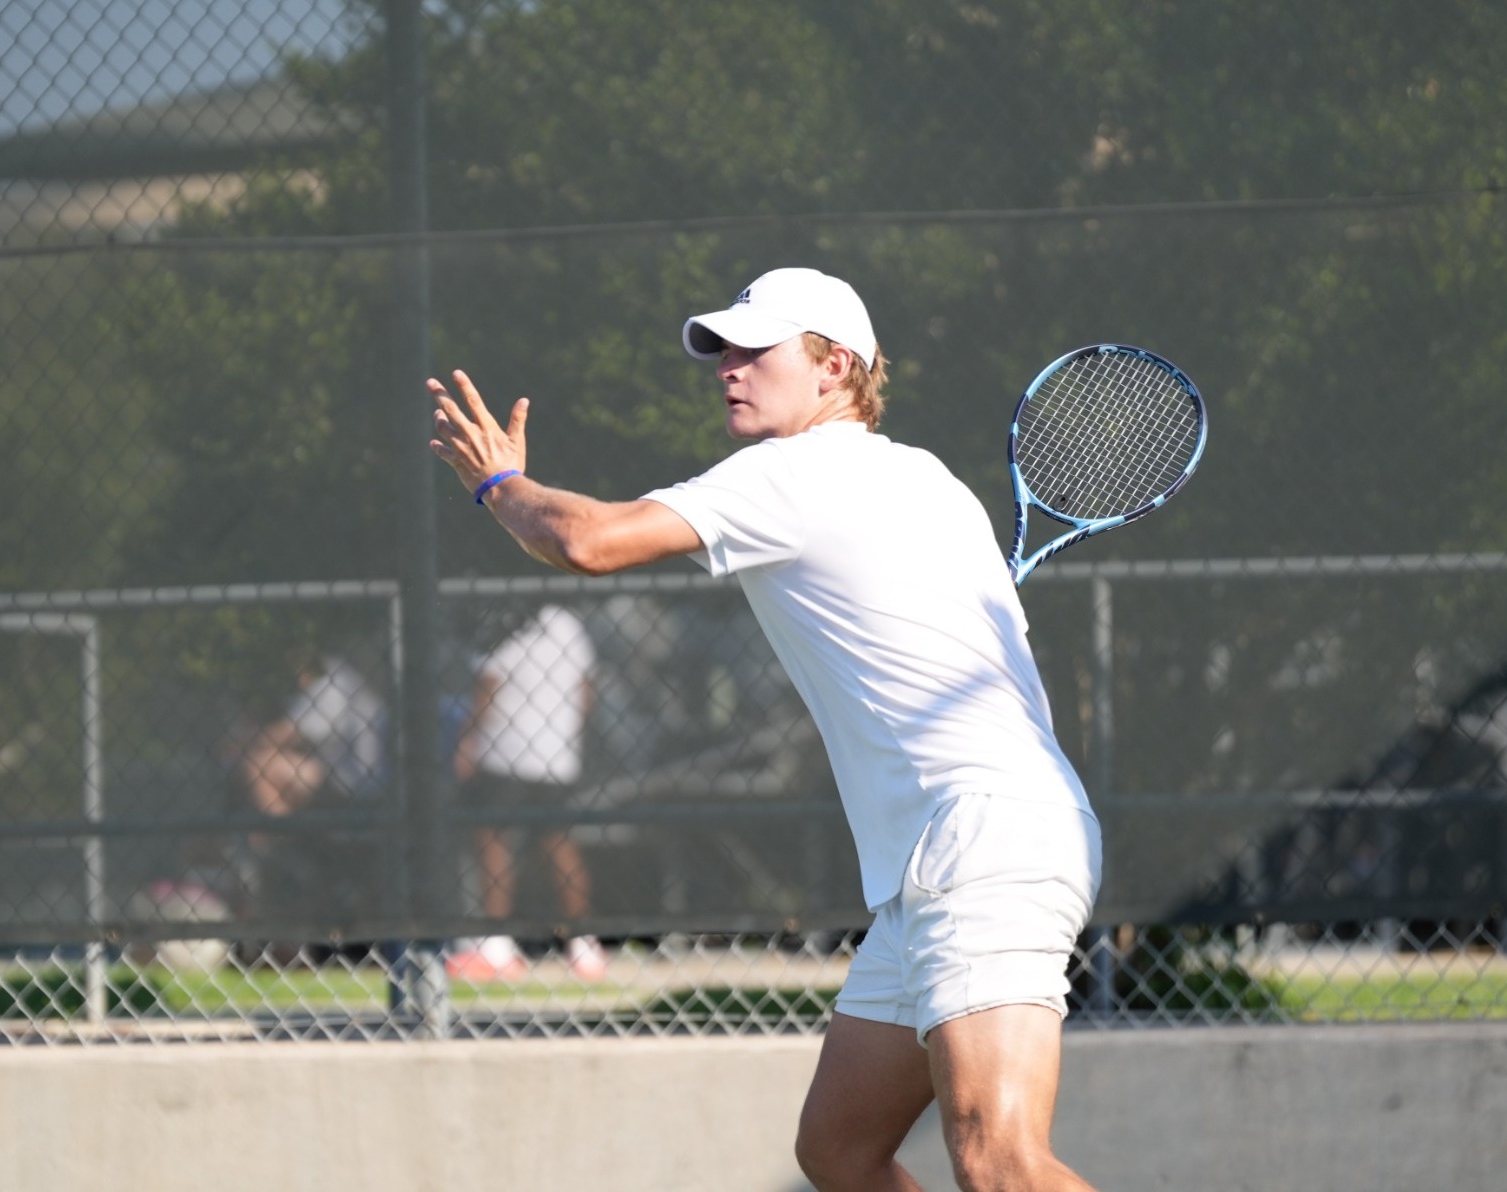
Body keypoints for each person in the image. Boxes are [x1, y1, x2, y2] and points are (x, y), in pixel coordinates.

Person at [428, 266, 1103, 1190]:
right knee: (839, 1152)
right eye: (723, 352)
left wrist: (501, 484)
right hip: (951, 855)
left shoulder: (793, 472)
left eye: (758, 350)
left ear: (835, 368)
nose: (730, 368)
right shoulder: (929, 479)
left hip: (979, 843)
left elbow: (588, 541)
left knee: (999, 1158)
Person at [447, 603, 605, 982]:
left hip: (506, 752)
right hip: (556, 754)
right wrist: (566, 735)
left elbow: (487, 687)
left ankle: (496, 945)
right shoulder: (567, 623)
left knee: (493, 840)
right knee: (558, 843)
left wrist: (466, 741)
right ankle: (583, 946)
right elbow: (586, 690)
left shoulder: (499, 620)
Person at [236, 651, 390, 927]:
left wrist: (247, 742)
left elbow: (291, 732)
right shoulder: (339, 681)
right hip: (343, 784)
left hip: (354, 788)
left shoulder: (331, 683)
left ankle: (279, 835)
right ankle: (280, 832)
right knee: (271, 763)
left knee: (259, 763)